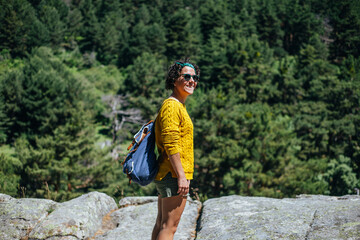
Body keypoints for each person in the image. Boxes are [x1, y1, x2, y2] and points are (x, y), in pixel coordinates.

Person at [151, 58, 200, 240]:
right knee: (169, 227)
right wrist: (181, 175)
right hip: (173, 174)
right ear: (174, 79)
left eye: (194, 78)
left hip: (167, 173)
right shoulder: (172, 106)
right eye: (186, 76)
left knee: (162, 224)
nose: (191, 80)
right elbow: (171, 143)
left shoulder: (177, 105)